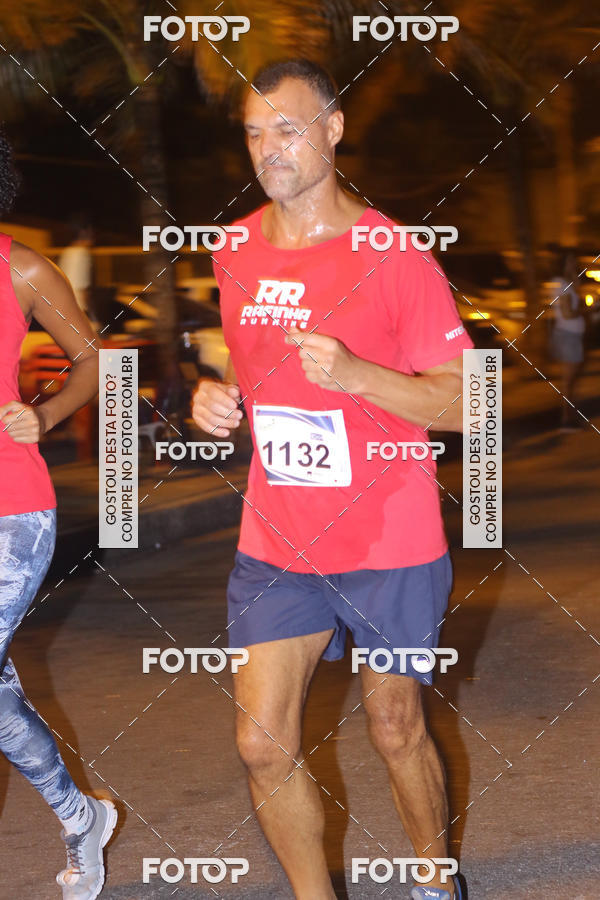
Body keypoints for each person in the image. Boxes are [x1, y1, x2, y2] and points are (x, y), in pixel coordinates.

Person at [192, 59, 472, 900]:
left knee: (394, 725)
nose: (268, 149)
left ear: (335, 128)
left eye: (288, 128)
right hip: (278, 537)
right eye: (254, 132)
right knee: (260, 742)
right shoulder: (233, 249)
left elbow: (470, 402)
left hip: (390, 538)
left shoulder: (394, 254)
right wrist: (220, 399)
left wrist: (358, 376)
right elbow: (249, 363)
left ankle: (434, 880)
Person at [0, 128, 117, 898]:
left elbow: (98, 361)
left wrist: (43, 415)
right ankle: (81, 816)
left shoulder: (21, 268)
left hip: (11, 510)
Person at [548, 247, 586, 431]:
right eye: (570, 261)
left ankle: (569, 418)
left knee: (571, 381)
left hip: (572, 335)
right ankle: (566, 420)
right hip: (567, 335)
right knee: (568, 381)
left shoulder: (567, 282)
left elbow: (575, 298)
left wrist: (574, 276)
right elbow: (567, 313)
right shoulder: (559, 283)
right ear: (562, 262)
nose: (574, 263)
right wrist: (587, 310)